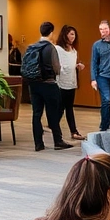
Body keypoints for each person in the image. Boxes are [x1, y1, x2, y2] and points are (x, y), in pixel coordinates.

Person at [26, 21, 72, 151]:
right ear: (51, 32)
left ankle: (38, 144)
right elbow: (56, 68)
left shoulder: (32, 47)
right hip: (49, 84)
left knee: (36, 114)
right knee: (53, 113)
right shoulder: (50, 48)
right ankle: (58, 141)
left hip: (33, 85)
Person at [55, 25, 86, 141]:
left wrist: (78, 66)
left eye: (74, 34)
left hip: (71, 82)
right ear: (65, 35)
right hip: (61, 83)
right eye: (71, 34)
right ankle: (56, 128)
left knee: (68, 108)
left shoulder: (74, 51)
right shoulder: (58, 49)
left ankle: (73, 131)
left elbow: (71, 64)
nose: (73, 36)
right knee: (61, 108)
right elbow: (57, 65)